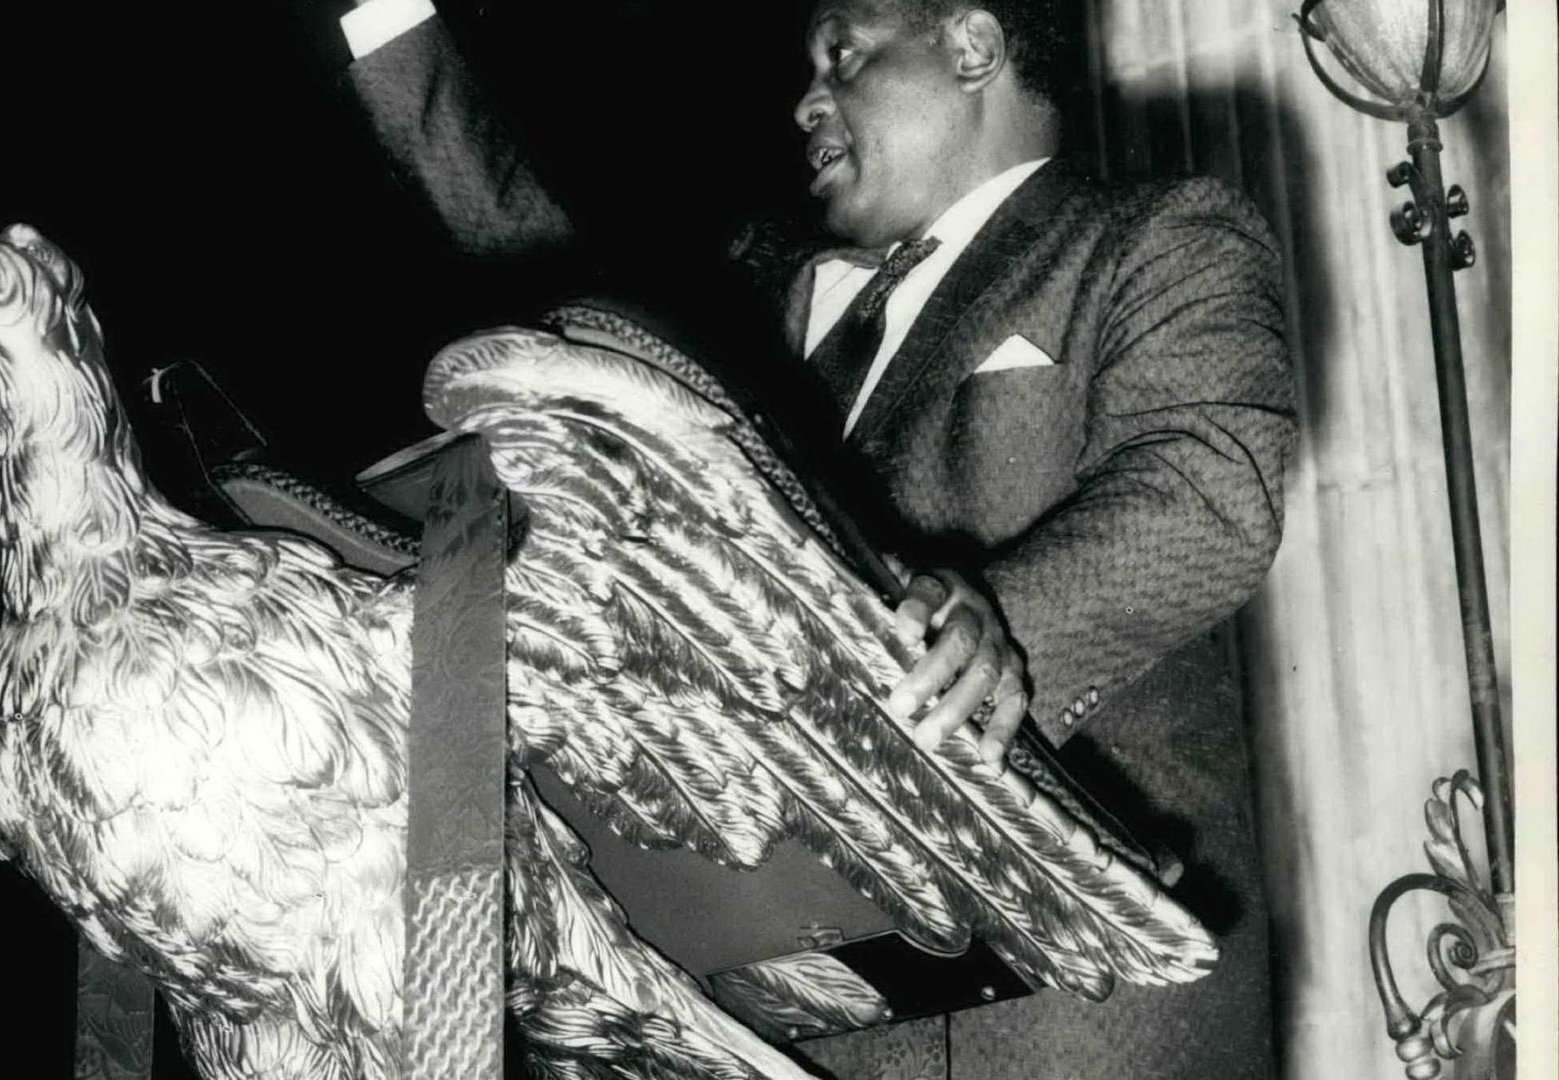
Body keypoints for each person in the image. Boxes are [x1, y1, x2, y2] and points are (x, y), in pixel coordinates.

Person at [334, 1, 1296, 1076]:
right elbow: (535, 250)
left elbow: (1209, 486)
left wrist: (999, 625)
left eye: (842, 53)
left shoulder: (1152, 238)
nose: (804, 101)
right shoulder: (766, 290)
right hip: (818, 1023)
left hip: (1085, 1013)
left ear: (973, 47)